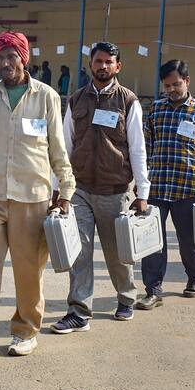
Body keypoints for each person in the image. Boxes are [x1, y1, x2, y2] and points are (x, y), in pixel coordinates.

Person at [0, 31, 75, 358]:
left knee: (28, 271)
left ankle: (25, 331)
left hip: (32, 197)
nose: (6, 63)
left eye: (12, 56)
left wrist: (65, 189)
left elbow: (57, 147)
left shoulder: (46, 96)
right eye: (0, 58)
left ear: (25, 58)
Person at [51, 42, 149, 331]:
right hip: (79, 188)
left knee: (117, 253)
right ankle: (80, 311)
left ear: (118, 67)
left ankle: (126, 297)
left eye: (109, 62)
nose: (103, 66)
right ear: (90, 64)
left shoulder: (128, 101)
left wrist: (142, 193)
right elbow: (64, 145)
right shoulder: (76, 100)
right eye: (98, 61)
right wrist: (59, 187)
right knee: (79, 252)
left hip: (114, 190)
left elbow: (138, 149)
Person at [138, 60, 195, 309]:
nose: (172, 89)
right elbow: (145, 147)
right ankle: (153, 290)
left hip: (187, 189)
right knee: (152, 242)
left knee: (189, 242)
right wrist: (140, 182)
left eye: (176, 84)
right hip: (157, 188)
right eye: (167, 86)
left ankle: (194, 276)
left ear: (187, 81)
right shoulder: (155, 109)